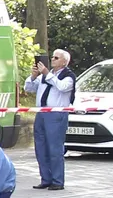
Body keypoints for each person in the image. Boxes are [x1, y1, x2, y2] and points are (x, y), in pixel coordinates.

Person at [24, 48, 76, 190]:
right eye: (52, 57)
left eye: (56, 58)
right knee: (41, 148)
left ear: (64, 61)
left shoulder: (68, 76)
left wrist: (47, 74)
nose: (52, 59)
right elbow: (28, 88)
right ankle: (45, 178)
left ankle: (57, 181)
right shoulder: (45, 76)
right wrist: (34, 76)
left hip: (56, 114)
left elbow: (62, 87)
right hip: (41, 113)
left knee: (54, 148)